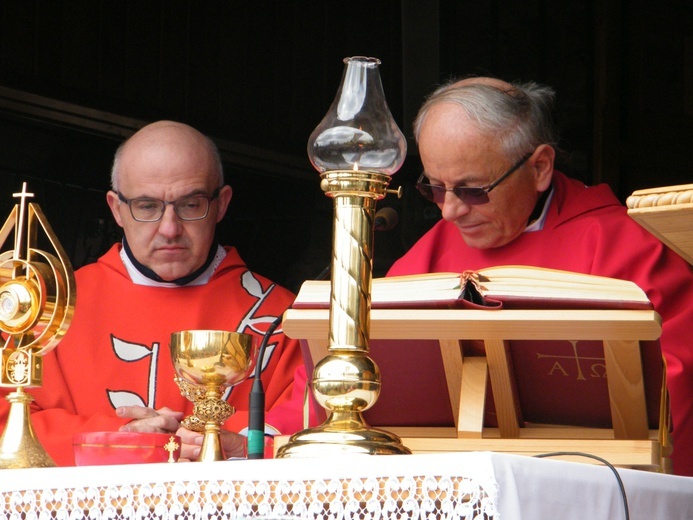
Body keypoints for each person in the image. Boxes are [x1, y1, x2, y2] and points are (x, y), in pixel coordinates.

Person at [387, 77, 693, 476]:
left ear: (539, 167)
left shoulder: (629, 248)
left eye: (473, 190)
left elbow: (676, 385)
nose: (449, 212)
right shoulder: (429, 254)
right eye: (435, 188)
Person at [0, 121, 313, 465]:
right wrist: (112, 440)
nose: (169, 228)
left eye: (190, 205)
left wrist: (232, 444)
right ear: (116, 209)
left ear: (221, 204)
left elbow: (313, 432)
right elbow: (7, 425)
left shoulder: (285, 318)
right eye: (147, 206)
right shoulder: (44, 308)